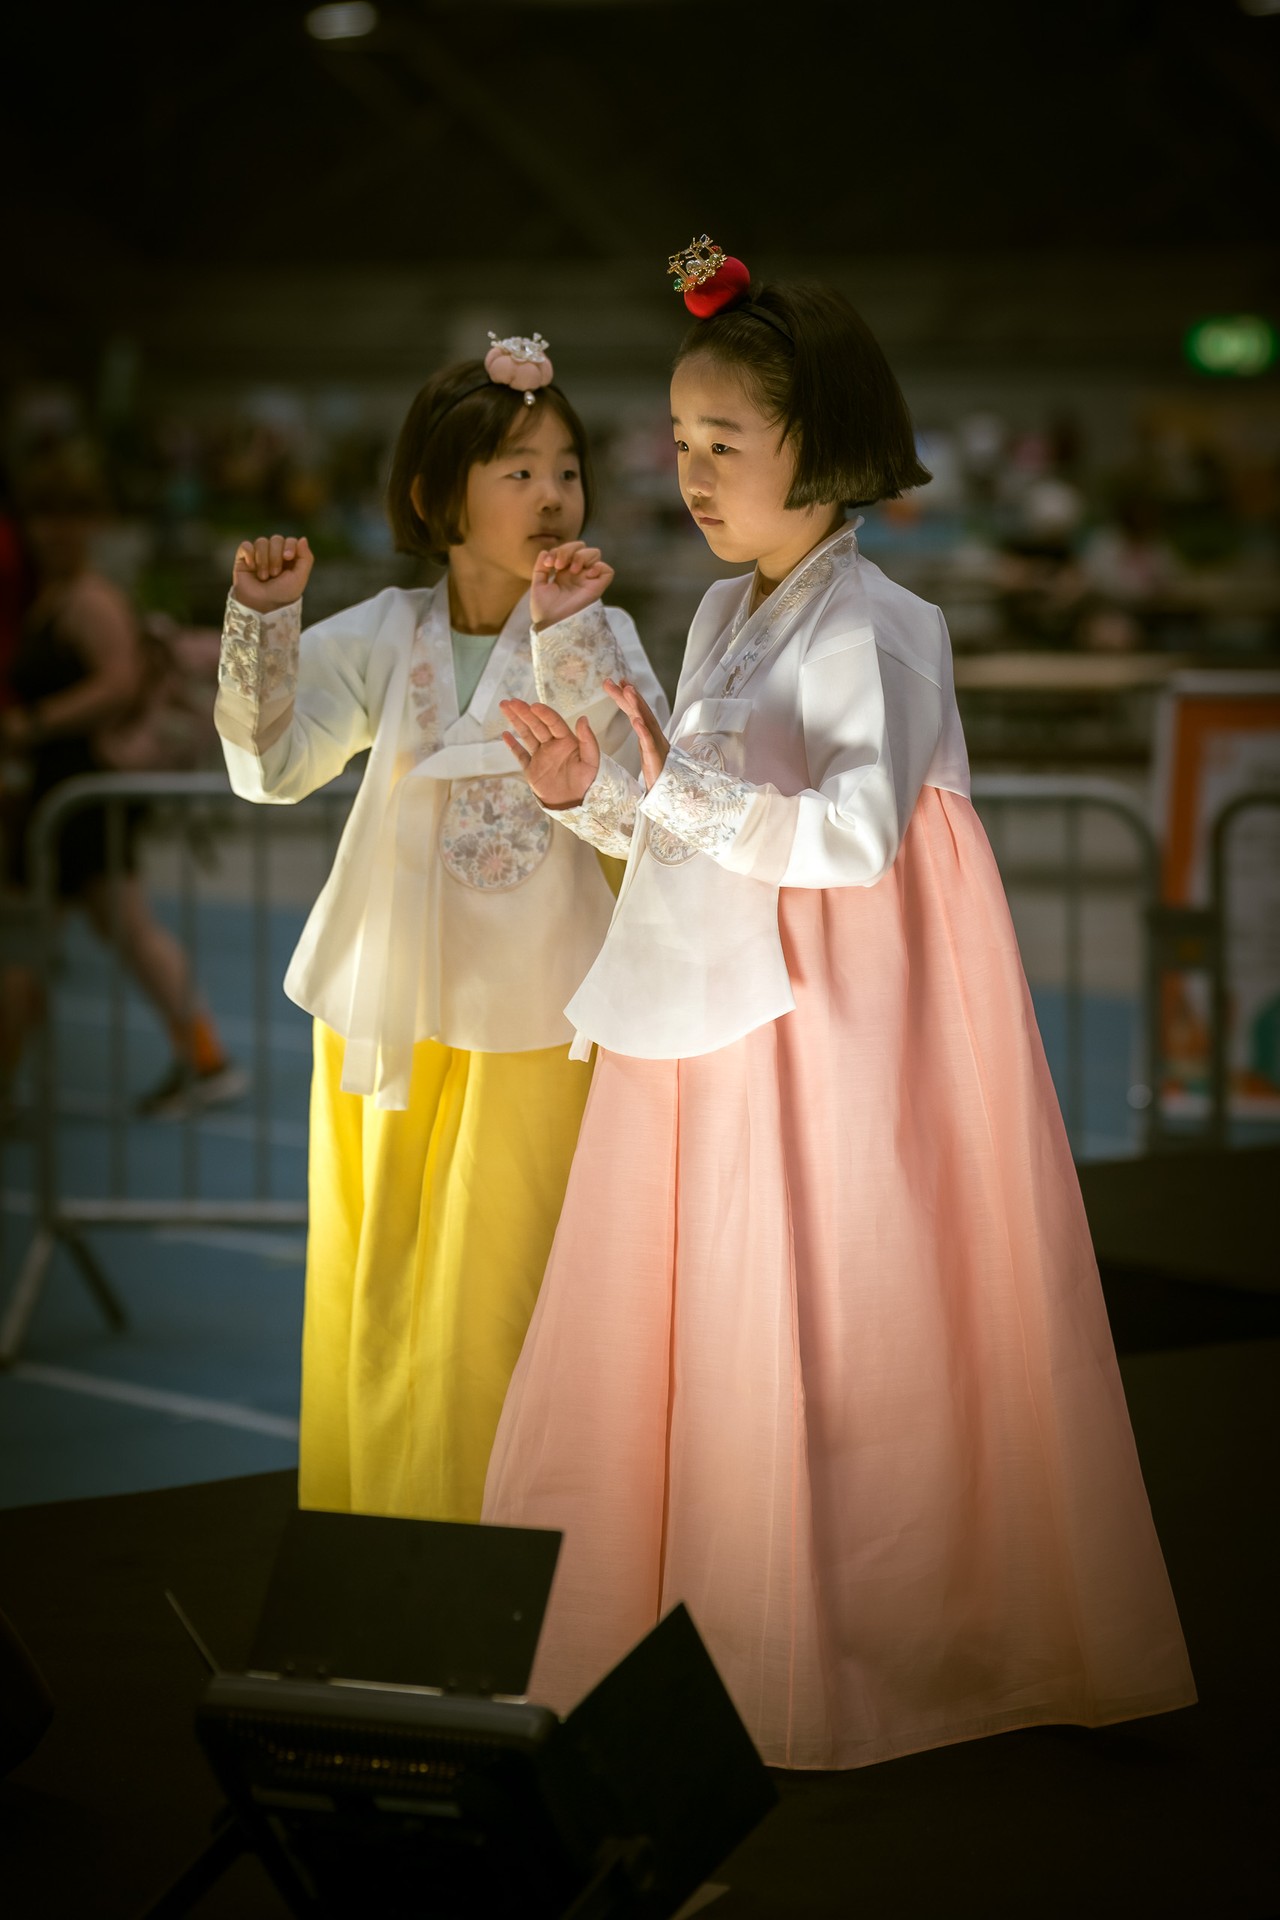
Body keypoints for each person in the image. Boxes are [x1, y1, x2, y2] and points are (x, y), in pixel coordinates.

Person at [485, 247, 1196, 1769]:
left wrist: (670, 790)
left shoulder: (877, 623)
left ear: (822, 444)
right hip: (727, 1008)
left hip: (833, 1022)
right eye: (677, 442)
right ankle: (708, 1623)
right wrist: (592, 790)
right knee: (721, 1307)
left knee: (825, 1307)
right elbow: (690, 819)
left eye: (723, 443)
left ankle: (856, 1638)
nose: (689, 474)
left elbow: (857, 838)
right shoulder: (724, 612)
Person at [216, 335, 666, 1523]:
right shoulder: (381, 631)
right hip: (387, 1014)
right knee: (377, 1285)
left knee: (501, 1301)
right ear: (435, 497)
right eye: (517, 470)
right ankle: (378, 1537)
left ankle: (506, 1556)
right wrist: (262, 623)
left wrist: (567, 638)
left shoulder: (602, 634)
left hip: (537, 1025)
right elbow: (270, 769)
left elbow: (643, 811)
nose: (552, 495)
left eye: (565, 469)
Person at [0, 450, 240, 1117]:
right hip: (62, 790)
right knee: (109, 931)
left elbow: (119, 683)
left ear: (93, 524)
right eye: (44, 516)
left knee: (35, 941)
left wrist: (34, 724)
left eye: (70, 515)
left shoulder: (90, 600)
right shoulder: (51, 597)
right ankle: (205, 1058)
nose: (55, 531)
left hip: (82, 789)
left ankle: (206, 1059)